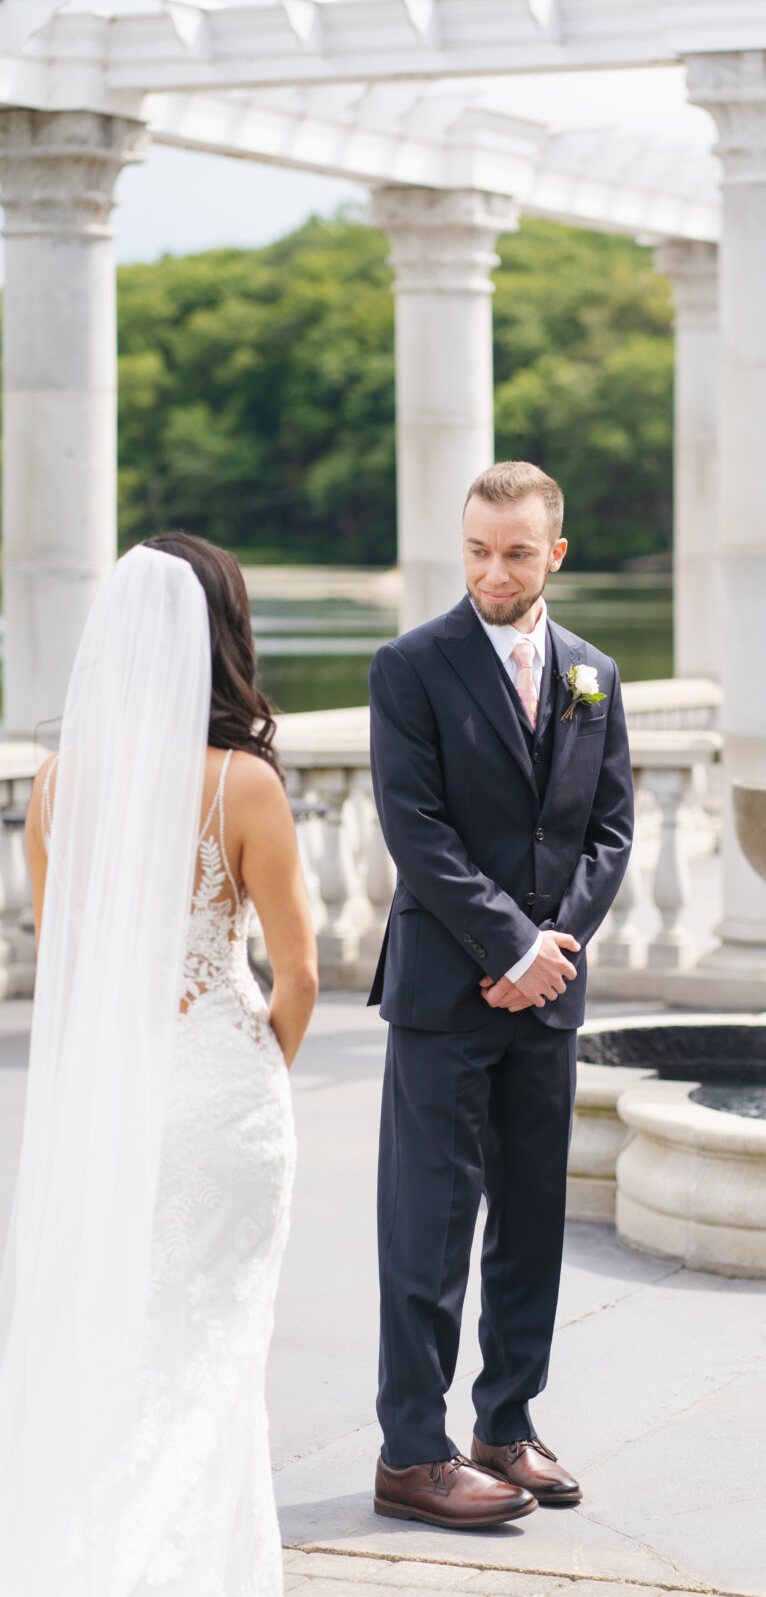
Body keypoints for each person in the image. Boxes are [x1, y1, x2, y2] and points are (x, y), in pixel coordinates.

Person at [0, 534, 318, 1595]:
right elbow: (300, 975)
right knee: (215, 1355)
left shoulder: (54, 785)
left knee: (130, 1349)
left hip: (112, 1098)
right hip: (220, 1096)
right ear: (225, 633)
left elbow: (69, 963)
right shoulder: (244, 783)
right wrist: (249, 1070)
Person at [368, 461, 634, 1529]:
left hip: (548, 994)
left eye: (515, 551)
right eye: (477, 548)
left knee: (530, 1217)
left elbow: (609, 829)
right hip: (446, 989)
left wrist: (553, 949)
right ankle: (409, 1452)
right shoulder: (410, 666)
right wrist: (509, 944)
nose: (492, 569)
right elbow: (415, 831)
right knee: (427, 1225)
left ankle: (504, 1425)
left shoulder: (592, 675)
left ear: (553, 554)